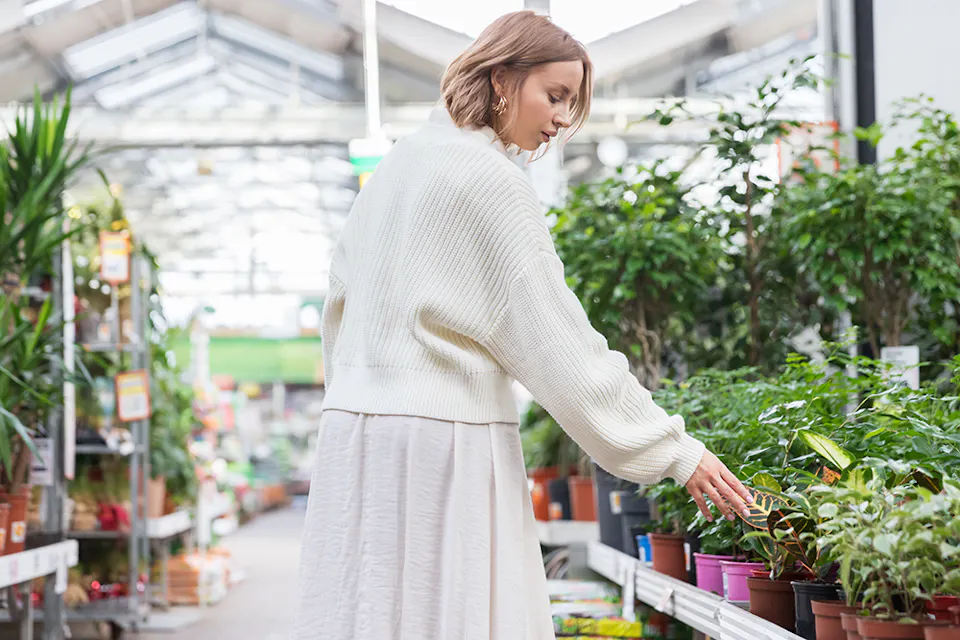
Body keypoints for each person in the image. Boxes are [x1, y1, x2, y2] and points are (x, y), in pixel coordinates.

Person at [294, 11, 752, 640]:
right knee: (454, 615)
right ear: (503, 77)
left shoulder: (402, 163)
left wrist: (362, 390)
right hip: (443, 438)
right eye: (556, 95)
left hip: (357, 436)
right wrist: (672, 447)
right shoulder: (492, 182)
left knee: (370, 609)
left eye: (573, 102)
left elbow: (339, 301)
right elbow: (556, 337)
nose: (563, 118)